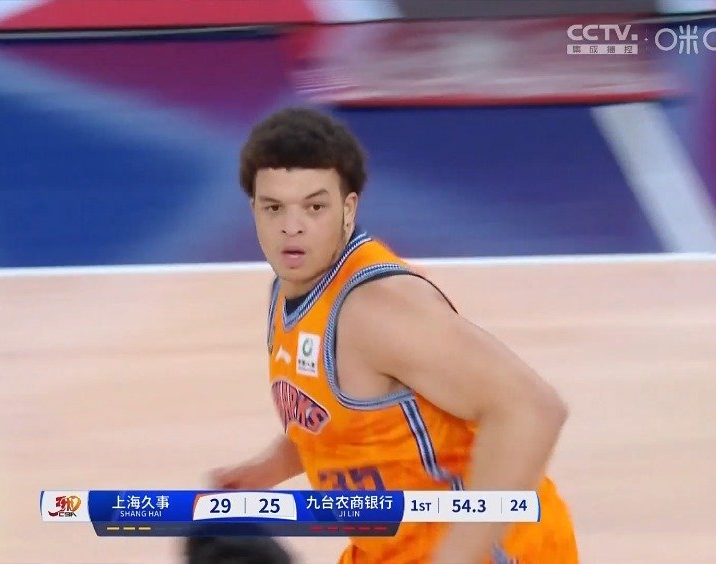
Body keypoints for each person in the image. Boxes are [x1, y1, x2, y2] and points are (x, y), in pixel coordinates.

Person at [209, 107, 578, 564]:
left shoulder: (377, 308)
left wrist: (455, 558)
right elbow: (335, 421)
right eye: (274, 208)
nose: (292, 226)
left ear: (348, 209)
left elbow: (533, 410)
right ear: (254, 211)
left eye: (314, 206)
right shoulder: (291, 288)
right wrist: (266, 470)